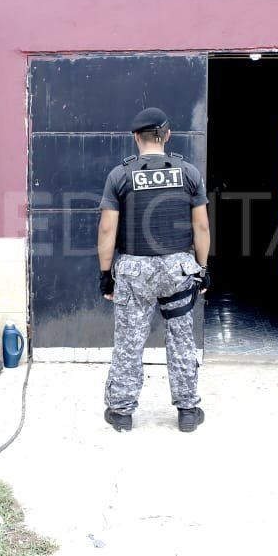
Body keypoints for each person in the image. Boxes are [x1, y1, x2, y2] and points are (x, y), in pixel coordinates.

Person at [97, 107, 211, 433]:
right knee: (182, 340)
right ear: (168, 135)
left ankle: (121, 413)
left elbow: (107, 230)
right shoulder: (188, 172)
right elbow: (201, 227)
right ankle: (188, 411)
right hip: (178, 270)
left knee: (130, 341)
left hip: (134, 273)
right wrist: (203, 269)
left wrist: (106, 274)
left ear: (136, 137)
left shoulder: (120, 175)